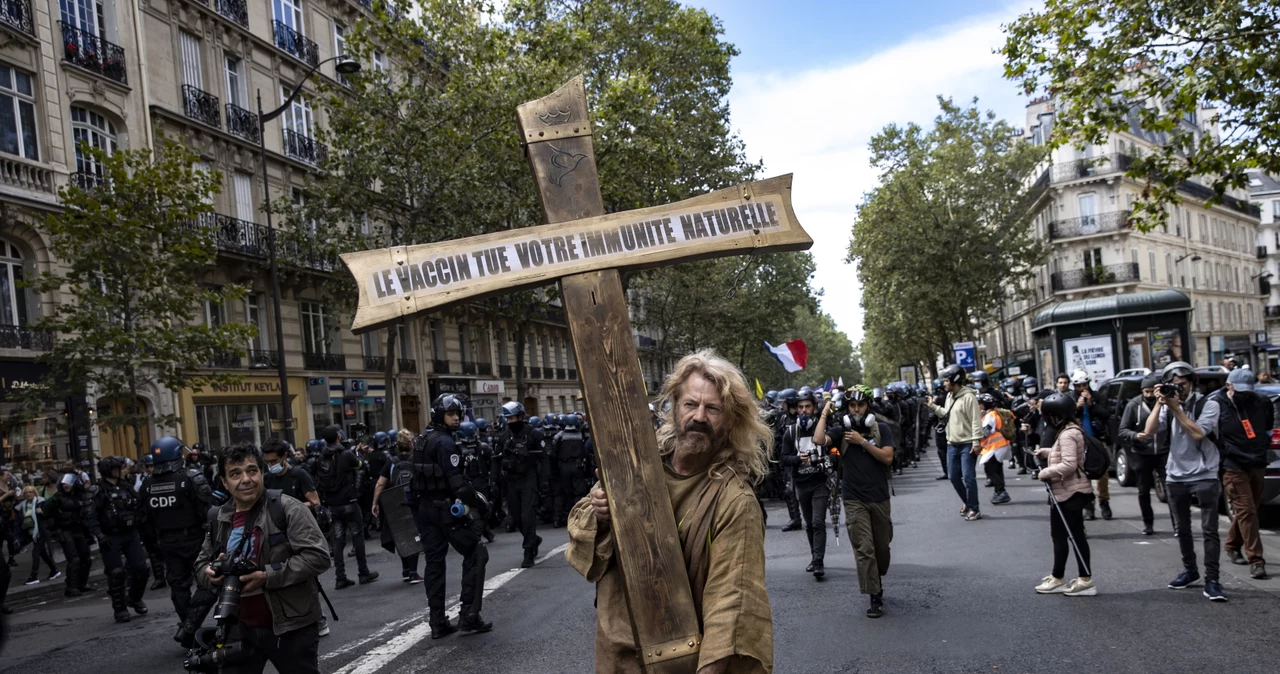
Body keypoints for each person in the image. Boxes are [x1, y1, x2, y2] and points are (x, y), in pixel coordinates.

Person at [568, 350, 773, 672]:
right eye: (691, 404)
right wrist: (602, 511)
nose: (699, 417)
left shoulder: (735, 500)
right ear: (675, 407)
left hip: (683, 663)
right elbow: (581, 540)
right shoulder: (637, 466)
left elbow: (732, 603)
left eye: (713, 409)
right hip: (618, 653)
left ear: (731, 419)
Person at [195, 443, 332, 674]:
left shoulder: (288, 508)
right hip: (237, 625)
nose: (245, 479)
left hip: (290, 626)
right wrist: (210, 575)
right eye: (235, 474)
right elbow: (200, 564)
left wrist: (267, 576)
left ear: (261, 473)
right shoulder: (218, 517)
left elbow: (318, 557)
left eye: (251, 470)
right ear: (224, 483)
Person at [1142, 361, 1226, 601]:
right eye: (1174, 385)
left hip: (1205, 473)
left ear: (1192, 383)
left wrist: (1176, 407)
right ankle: (1190, 570)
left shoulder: (1208, 404)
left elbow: (1198, 433)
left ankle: (1212, 580)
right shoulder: (1168, 405)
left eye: (1183, 384)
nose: (1178, 389)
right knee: (1181, 528)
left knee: (1209, 530)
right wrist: (1160, 404)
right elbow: (1149, 432)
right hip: (1175, 474)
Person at [411, 395, 493, 637]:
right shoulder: (446, 443)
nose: (456, 417)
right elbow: (458, 484)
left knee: (434, 564)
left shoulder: (421, 441)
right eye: (450, 414)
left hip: (425, 510)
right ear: (439, 415)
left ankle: (437, 622)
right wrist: (480, 502)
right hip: (447, 510)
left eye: (458, 413)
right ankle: (469, 615)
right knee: (476, 553)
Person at [816, 386, 894, 617]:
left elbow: (888, 457)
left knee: (881, 548)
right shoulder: (841, 431)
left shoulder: (881, 428)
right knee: (864, 548)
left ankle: (877, 578)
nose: (857, 409)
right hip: (853, 498)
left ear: (868, 406)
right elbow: (819, 439)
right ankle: (874, 596)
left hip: (879, 497)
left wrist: (863, 442)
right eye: (852, 405)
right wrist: (824, 412)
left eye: (860, 405)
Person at [140, 436, 218, 645]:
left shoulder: (147, 485)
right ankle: (190, 625)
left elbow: (143, 520)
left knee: (178, 586)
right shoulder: (192, 477)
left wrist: (153, 548)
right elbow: (208, 512)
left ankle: (188, 627)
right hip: (195, 540)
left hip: (166, 542)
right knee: (209, 582)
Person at [262, 438, 332, 637]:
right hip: (276, 534)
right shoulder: (268, 478)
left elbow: (315, 502)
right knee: (281, 576)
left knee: (306, 577)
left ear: (285, 456)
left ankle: (318, 620)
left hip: (299, 530)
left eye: (274, 461)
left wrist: (289, 508)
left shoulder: (299, 474)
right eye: (267, 462)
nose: (270, 465)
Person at [1032, 392, 1096, 596]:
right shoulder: (1069, 430)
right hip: (1063, 493)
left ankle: (1085, 580)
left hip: (1071, 493)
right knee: (1059, 536)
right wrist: (1047, 452)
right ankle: (1057, 576)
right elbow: (1069, 454)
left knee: (1075, 537)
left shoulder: (1068, 433)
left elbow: (1069, 464)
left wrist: (1045, 472)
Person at [1217, 368, 1272, 580]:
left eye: (1247, 391)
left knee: (1249, 509)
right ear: (1228, 385)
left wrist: (1262, 447)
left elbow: (1266, 429)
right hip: (1233, 464)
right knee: (1247, 511)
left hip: (1257, 461)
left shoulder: (1262, 402)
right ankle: (1256, 560)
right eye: (1240, 390)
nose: (1244, 394)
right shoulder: (1217, 404)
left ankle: (1231, 545)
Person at [313, 425, 379, 589]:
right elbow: (359, 466)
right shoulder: (345, 454)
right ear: (338, 436)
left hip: (333, 504)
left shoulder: (321, 457)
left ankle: (340, 577)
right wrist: (359, 455)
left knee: (339, 540)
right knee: (357, 536)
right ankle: (363, 572)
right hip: (348, 501)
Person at [88, 455, 149, 623]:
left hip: (130, 533)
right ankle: (120, 609)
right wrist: (99, 535)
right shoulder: (98, 490)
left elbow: (139, 506)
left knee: (141, 567)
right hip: (110, 536)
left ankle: (135, 597)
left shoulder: (126, 487)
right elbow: (90, 515)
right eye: (117, 469)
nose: (121, 471)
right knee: (116, 573)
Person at [779, 388, 831, 578]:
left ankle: (818, 561)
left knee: (818, 522)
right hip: (801, 484)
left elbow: (836, 453)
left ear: (814, 408)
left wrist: (821, 461)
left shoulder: (823, 427)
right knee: (809, 524)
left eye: (807, 407)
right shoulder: (791, 432)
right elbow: (783, 458)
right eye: (800, 407)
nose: (803, 411)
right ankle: (813, 556)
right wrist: (798, 459)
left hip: (820, 483)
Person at [922, 365, 984, 521]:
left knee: (969, 477)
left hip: (968, 443)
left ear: (955, 380)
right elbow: (946, 415)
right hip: (952, 443)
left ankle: (974, 508)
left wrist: (976, 442)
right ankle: (967, 502)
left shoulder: (969, 397)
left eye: (946, 380)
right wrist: (933, 407)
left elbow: (976, 422)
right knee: (953, 476)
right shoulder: (950, 396)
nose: (944, 383)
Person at [371, 429, 424, 584]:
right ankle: (414, 573)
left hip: (395, 501)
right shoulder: (416, 459)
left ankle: (406, 570)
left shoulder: (392, 461)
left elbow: (380, 483)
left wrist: (375, 502)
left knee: (401, 535)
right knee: (414, 535)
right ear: (411, 443)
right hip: (413, 500)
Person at [497, 402, 545, 567]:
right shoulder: (503, 437)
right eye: (507, 418)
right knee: (516, 518)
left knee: (527, 517)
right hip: (511, 480)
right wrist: (495, 483)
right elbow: (495, 461)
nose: (510, 421)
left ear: (521, 417)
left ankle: (528, 552)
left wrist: (544, 482)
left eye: (512, 417)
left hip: (528, 479)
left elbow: (544, 459)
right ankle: (534, 539)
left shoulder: (533, 435)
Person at [1119, 375, 1165, 535]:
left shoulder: (1165, 403)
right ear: (1142, 391)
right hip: (1141, 453)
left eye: (1153, 391)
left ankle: (1178, 526)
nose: (1150, 395)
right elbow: (1123, 430)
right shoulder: (1133, 405)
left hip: (1163, 452)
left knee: (1171, 490)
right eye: (1147, 391)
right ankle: (1148, 523)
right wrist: (1135, 436)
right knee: (1143, 491)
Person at [36, 473, 94, 597]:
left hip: (78, 530)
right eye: (64, 483)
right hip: (65, 531)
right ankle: (71, 586)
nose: (66, 485)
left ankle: (82, 583)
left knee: (86, 557)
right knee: (74, 559)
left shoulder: (80, 496)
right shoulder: (57, 498)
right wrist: (53, 530)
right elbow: (46, 513)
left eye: (69, 482)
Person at [1069, 369, 1113, 520]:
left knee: (1102, 474)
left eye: (1084, 385)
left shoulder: (1098, 397)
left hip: (1097, 439)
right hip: (1080, 440)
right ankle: (1089, 505)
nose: (1082, 389)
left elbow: (1106, 414)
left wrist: (1091, 404)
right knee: (1083, 474)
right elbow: (1067, 417)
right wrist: (1077, 407)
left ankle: (1104, 501)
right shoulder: (1071, 398)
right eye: (1079, 386)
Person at [552, 415, 590, 529]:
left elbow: (553, 453)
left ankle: (569, 516)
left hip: (563, 467)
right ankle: (579, 517)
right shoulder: (581, 435)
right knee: (579, 492)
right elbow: (587, 450)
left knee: (567, 492)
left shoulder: (559, 436)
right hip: (578, 467)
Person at [16, 486, 60, 585]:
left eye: (30, 492)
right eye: (25, 493)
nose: (28, 494)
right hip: (32, 534)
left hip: (41, 532)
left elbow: (48, 516)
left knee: (35, 553)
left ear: (35, 493)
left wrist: (42, 512)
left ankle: (33, 576)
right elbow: (20, 522)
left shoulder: (41, 502)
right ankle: (54, 570)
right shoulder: (23, 506)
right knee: (42, 553)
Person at [977, 393, 1013, 505]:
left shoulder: (989, 416)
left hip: (995, 446)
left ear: (983, 405)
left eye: (978, 404)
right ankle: (999, 492)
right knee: (997, 469)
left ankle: (1001, 492)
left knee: (990, 469)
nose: (977, 406)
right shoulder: (992, 413)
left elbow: (985, 433)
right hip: (999, 445)